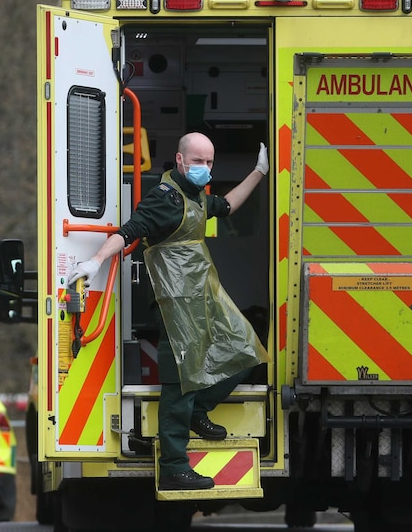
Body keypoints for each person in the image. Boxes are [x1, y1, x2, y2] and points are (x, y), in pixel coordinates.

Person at [68, 132, 270, 490]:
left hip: (203, 296)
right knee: (180, 385)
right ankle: (176, 467)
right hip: (175, 304)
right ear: (179, 161)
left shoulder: (195, 196)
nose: (204, 169)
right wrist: (96, 261)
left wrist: (258, 172)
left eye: (209, 163)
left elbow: (226, 206)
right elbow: (128, 230)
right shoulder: (164, 200)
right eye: (197, 162)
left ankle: (197, 412)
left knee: (247, 351)